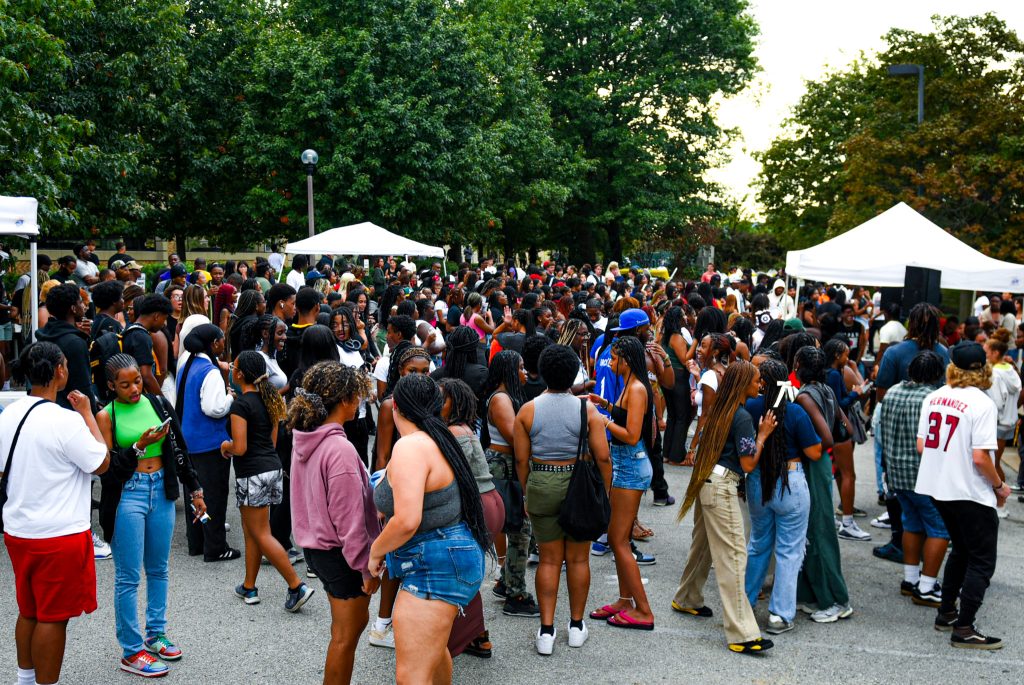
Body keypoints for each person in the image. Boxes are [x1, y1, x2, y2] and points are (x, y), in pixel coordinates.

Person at [368, 373, 489, 684]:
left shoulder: (411, 446)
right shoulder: (438, 438)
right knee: (433, 656)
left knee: (411, 676)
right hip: (446, 557)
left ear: (395, 406)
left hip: (434, 564)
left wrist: (375, 550)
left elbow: (407, 520)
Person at [1, 342, 110, 685]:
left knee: (29, 610)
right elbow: (102, 462)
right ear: (60, 371)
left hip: (19, 529)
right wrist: (88, 414)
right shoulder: (65, 421)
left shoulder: (9, 414)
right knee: (53, 617)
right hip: (59, 533)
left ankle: (25, 679)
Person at [96, 354, 207, 677]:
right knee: (128, 577)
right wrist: (138, 448)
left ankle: (155, 633)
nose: (134, 389)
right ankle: (131, 652)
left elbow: (179, 450)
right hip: (127, 494)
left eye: (137, 381)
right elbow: (108, 471)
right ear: (110, 386)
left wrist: (196, 490)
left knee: (158, 569)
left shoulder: (158, 403)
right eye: (125, 384)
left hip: (161, 490)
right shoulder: (107, 416)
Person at [672, 360, 776, 653]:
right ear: (744, 384)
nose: (761, 385)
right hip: (721, 487)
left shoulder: (720, 408)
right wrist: (764, 435)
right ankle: (742, 633)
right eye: (757, 381)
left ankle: (687, 597)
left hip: (706, 482)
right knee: (733, 558)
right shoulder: (742, 417)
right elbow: (748, 464)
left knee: (703, 548)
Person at [289, 361, 380, 684]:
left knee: (342, 632)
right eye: (356, 396)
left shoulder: (307, 438)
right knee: (346, 637)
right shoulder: (338, 448)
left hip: (318, 547)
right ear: (344, 400)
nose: (360, 402)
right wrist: (365, 567)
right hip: (341, 553)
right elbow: (349, 519)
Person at [516, 345, 611, 654]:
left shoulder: (527, 410)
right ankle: (575, 625)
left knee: (548, 559)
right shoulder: (588, 410)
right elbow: (603, 457)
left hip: (542, 480)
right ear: (574, 375)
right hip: (578, 484)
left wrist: (528, 488)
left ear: (543, 372)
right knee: (579, 559)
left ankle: (546, 631)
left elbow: (521, 460)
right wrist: (605, 493)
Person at [915, 341, 1010, 649]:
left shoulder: (934, 396)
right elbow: (981, 458)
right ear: (983, 368)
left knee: (962, 550)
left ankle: (947, 612)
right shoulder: (982, 403)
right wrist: (999, 486)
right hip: (969, 491)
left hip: (938, 488)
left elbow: (922, 446)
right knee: (982, 560)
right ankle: (965, 627)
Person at [223, 351, 315, 610]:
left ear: (240, 374)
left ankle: (297, 586)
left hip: (250, 472)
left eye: (234, 366)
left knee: (261, 534)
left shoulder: (240, 405)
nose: (232, 369)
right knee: (253, 531)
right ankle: (249, 586)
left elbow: (239, 447)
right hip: (272, 469)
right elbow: (272, 442)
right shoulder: (271, 398)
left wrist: (225, 445)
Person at [586, 336, 660, 629]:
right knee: (619, 539)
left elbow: (631, 434)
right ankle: (625, 600)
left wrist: (600, 419)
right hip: (626, 465)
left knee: (618, 540)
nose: (610, 363)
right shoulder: (630, 385)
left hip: (630, 466)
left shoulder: (638, 388)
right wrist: (603, 403)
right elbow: (626, 415)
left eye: (614, 359)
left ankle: (643, 609)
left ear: (626, 361)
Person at [744, 359, 821, 635]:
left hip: (758, 482)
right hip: (791, 482)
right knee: (789, 551)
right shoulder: (796, 412)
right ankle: (779, 615)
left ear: (761, 383)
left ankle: (745, 603)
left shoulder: (751, 407)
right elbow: (815, 453)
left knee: (758, 543)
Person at [438, 378, 504, 658]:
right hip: (488, 502)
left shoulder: (454, 432)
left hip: (478, 505)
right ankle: (477, 635)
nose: (437, 402)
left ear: (457, 402)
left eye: (443, 398)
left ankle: (462, 639)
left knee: (460, 573)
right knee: (467, 571)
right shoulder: (464, 428)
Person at [879, 350, 948, 609]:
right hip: (924, 473)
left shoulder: (893, 391)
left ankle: (910, 580)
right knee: (939, 528)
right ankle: (927, 586)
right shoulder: (933, 398)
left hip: (896, 472)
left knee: (912, 525)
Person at [793, 346, 854, 623]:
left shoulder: (805, 396)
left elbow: (827, 438)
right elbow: (847, 430)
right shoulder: (827, 389)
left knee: (819, 531)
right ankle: (813, 593)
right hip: (820, 465)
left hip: (813, 462)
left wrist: (806, 442)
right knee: (811, 530)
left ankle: (836, 599)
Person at [482, 350, 540, 617]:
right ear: (508, 371)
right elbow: (515, 437)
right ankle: (516, 593)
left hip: (506, 464)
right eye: (520, 367)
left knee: (518, 526)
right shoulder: (501, 398)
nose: (524, 372)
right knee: (520, 528)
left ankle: (506, 581)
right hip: (503, 465)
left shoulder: (505, 397)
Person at [176, 324, 238, 562]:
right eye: (221, 339)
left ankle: (197, 541)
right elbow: (213, 408)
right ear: (213, 343)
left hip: (188, 440)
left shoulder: (186, 364)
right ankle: (216, 547)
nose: (224, 343)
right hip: (209, 443)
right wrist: (230, 397)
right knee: (213, 496)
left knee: (195, 494)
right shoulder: (209, 371)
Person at [823, 338, 871, 540]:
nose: (848, 357)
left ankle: (842, 519)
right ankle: (848, 523)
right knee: (848, 474)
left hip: (832, 427)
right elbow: (839, 402)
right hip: (839, 428)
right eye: (845, 354)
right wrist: (857, 393)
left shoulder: (830, 372)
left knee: (841, 474)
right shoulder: (834, 374)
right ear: (836, 355)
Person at [35, 283, 92, 409]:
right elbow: (83, 385)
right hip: (71, 410)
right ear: (73, 308)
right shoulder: (75, 343)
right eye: (80, 301)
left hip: (44, 406)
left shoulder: (43, 335)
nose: (83, 305)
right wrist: (92, 413)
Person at [984, 329, 1021, 519]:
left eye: (986, 350)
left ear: (995, 353)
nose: (985, 353)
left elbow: (997, 401)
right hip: (1009, 422)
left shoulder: (995, 373)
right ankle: (999, 503)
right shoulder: (1011, 370)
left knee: (994, 464)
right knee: (995, 463)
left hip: (997, 423)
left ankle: (1001, 504)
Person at [660, 306, 692, 464]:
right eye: (683, 316)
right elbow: (685, 360)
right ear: (678, 319)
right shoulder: (677, 337)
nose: (686, 318)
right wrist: (695, 344)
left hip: (668, 378)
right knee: (681, 417)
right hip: (679, 377)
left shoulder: (665, 336)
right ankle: (676, 456)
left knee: (672, 416)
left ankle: (667, 453)